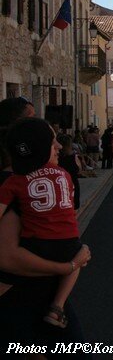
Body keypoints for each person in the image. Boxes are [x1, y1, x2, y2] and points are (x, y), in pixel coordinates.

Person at [0, 118, 84, 328]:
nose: (58, 146)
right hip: (64, 248)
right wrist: (69, 266)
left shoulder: (15, 181)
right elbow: (8, 258)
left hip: (36, 244)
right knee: (80, 254)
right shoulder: (63, 174)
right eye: (51, 140)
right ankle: (58, 305)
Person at [57, 135, 82, 211]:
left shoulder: (55, 158)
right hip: (73, 183)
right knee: (73, 207)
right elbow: (79, 170)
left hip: (59, 185)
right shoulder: (73, 157)